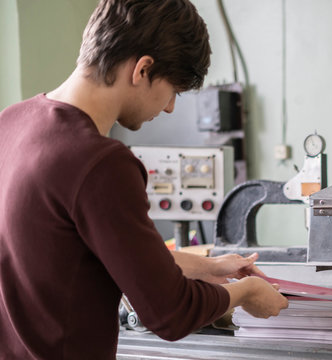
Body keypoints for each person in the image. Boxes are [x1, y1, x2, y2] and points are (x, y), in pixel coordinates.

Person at [0, 0, 288, 359]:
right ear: (143, 69)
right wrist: (245, 292)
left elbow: (113, 256)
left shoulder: (10, 122)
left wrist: (213, 266)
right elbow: (170, 312)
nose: (169, 107)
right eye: (174, 91)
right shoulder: (100, 162)